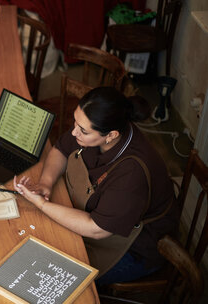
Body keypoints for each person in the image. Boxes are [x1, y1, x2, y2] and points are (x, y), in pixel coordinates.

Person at [14, 86, 178, 285]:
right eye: (75, 122)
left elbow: (97, 228)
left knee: (49, 277)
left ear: (111, 135)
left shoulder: (132, 174)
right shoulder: (96, 129)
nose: (74, 131)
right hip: (97, 220)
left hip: (133, 249)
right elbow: (62, 148)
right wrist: (45, 183)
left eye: (82, 130)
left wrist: (42, 204)